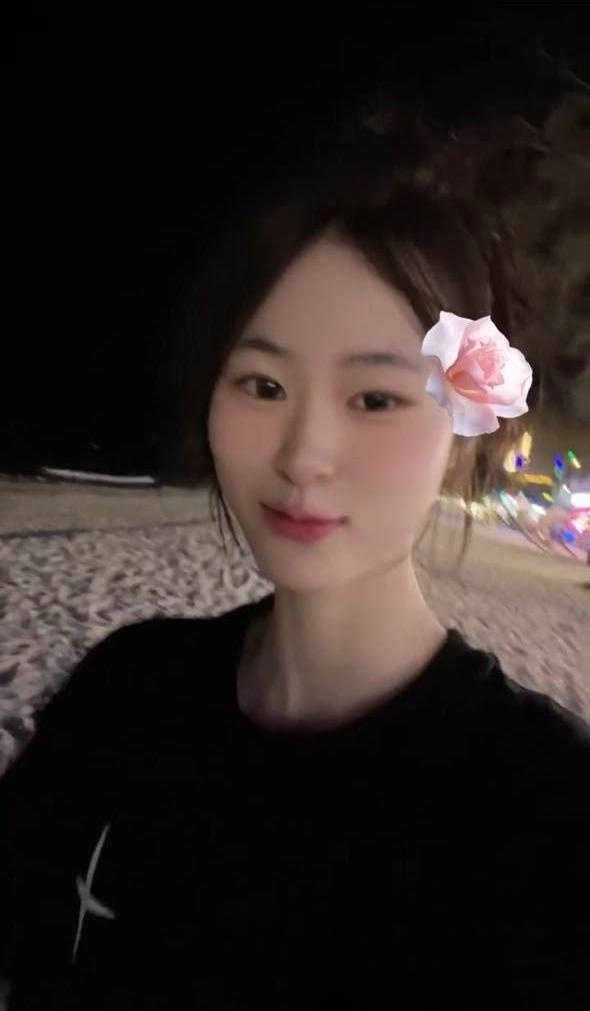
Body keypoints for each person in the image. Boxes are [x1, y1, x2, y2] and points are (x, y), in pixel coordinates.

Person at [1, 101, 589, 1010]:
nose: (304, 455)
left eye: (375, 398)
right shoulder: (125, 690)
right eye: (264, 383)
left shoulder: (543, 813)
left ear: (464, 436)